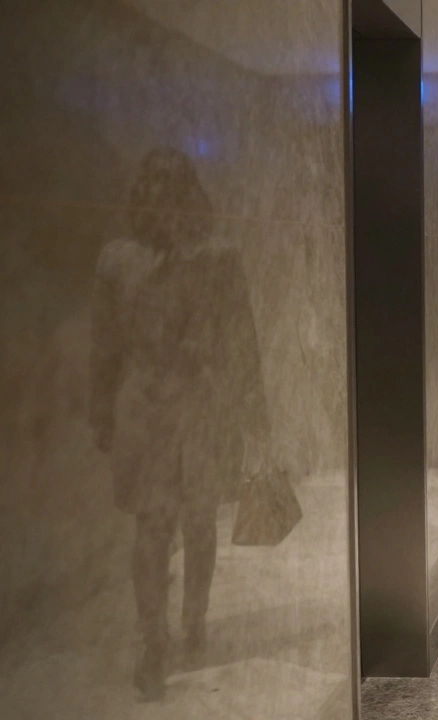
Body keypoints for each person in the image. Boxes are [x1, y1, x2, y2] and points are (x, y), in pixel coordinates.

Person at [89, 147, 269, 701]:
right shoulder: (125, 260)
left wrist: (252, 412)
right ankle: (162, 635)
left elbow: (239, 340)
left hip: (188, 406)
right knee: (167, 525)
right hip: (160, 409)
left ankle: (183, 625)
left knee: (184, 523)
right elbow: (106, 346)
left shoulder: (210, 257)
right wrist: (101, 411)